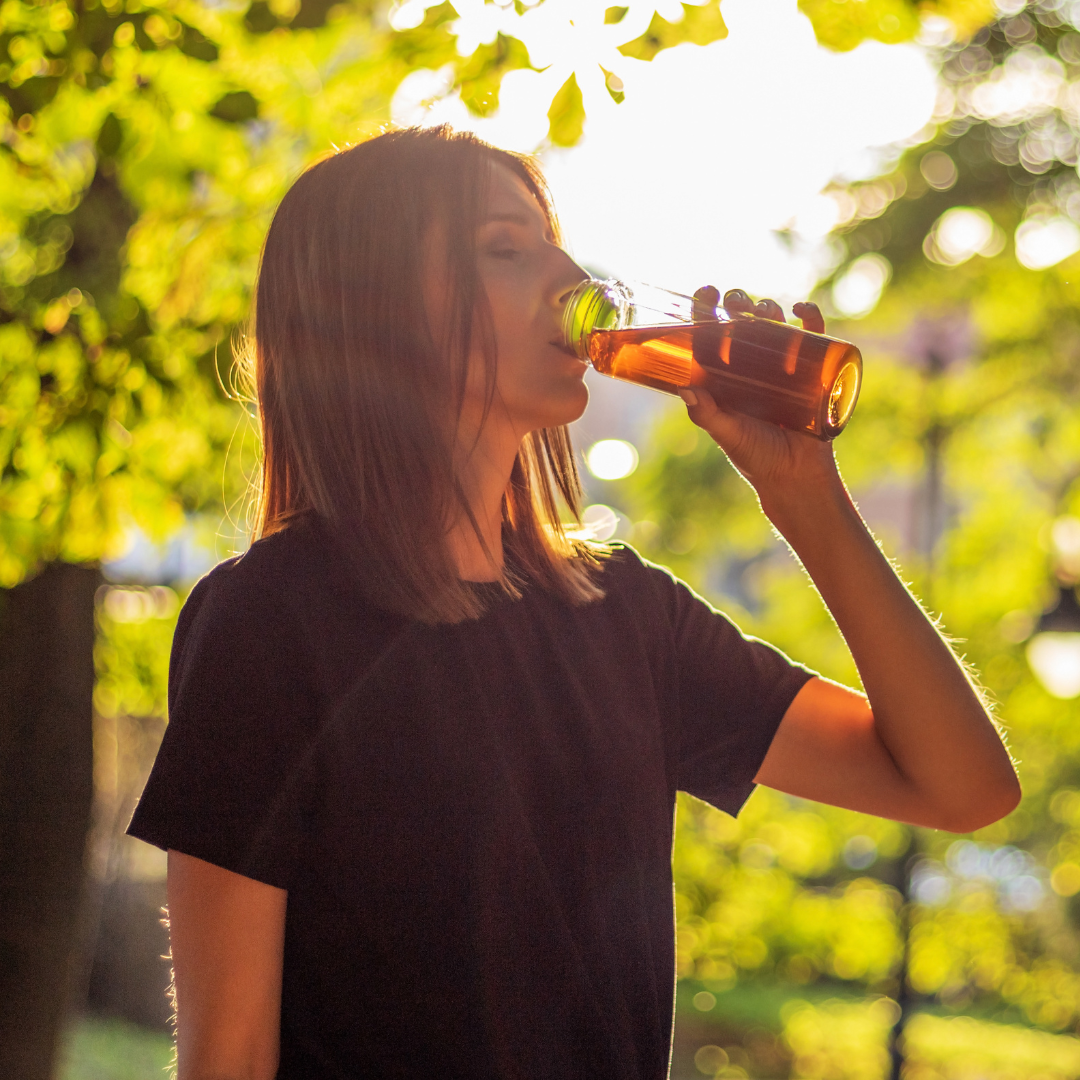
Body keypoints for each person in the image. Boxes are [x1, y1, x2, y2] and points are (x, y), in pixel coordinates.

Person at [127, 125, 1021, 1080]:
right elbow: (228, 1057)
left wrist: (805, 495)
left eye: (554, 241)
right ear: (371, 309)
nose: (564, 274)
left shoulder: (626, 616)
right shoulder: (267, 622)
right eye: (504, 248)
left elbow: (961, 785)